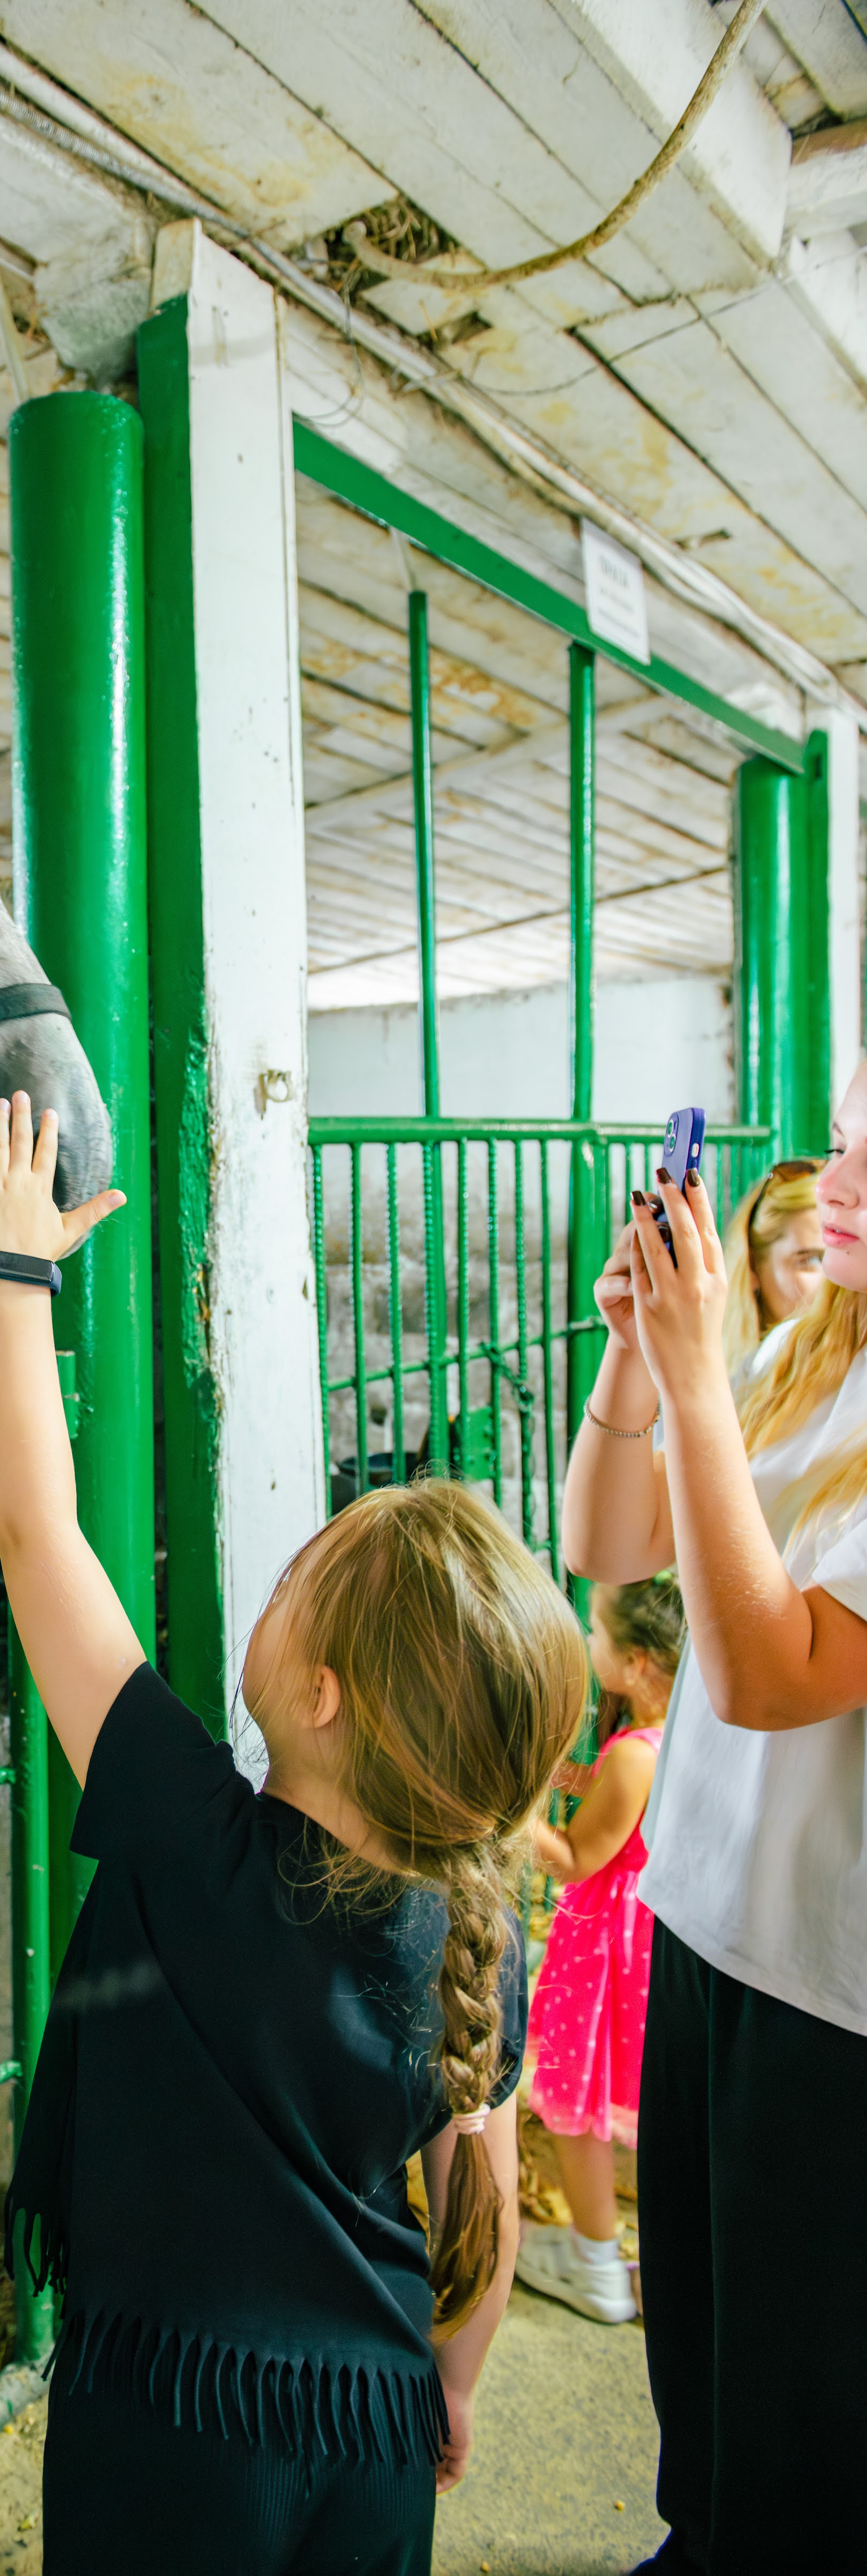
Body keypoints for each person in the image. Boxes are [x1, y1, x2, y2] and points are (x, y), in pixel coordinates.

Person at [0, 1091, 588, 2576]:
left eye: (298, 1571)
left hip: (174, 2418)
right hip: (376, 2422)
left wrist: (11, 1272)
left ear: (318, 1691)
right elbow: (479, 2209)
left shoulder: (190, 1834)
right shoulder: (475, 1931)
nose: (278, 1572)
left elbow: (40, 1536)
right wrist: (449, 2383)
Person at [562, 1067, 867, 2576]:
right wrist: (635, 1353)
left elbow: (762, 1675)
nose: (842, 1184)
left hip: (833, 1996)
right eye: (854, 1131)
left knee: (809, 2396)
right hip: (703, 1921)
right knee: (698, 2338)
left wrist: (694, 1378)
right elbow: (608, 1540)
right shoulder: (813, 1356)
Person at [514, 1573, 684, 2326]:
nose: (589, 1644)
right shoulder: (673, 1731)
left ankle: (594, 2265)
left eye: (598, 1634)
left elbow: (577, 1858)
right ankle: (643, 2258)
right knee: (625, 2103)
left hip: (601, 1950)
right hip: (645, 1944)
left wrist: (512, 1810)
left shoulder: (633, 1758)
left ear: (639, 1662)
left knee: (576, 2106)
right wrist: (574, 1776)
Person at [719, 1156, 822, 1372]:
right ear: (753, 1266)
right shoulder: (725, 1377)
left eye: (846, 1254)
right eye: (811, 1260)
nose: (838, 1281)